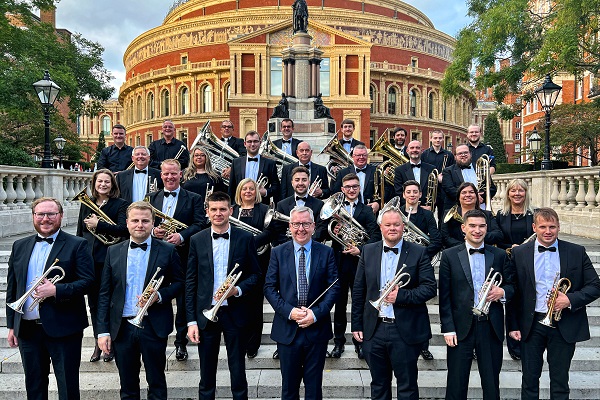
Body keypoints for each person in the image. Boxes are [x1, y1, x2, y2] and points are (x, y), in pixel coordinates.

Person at [6, 197, 94, 400]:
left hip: (64, 328)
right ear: (33, 217)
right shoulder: (20, 245)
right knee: (34, 385)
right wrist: (12, 324)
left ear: (60, 216)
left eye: (51, 214)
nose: (45, 219)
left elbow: (88, 281)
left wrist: (57, 290)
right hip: (27, 329)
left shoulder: (77, 244)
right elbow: (13, 287)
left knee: (68, 385)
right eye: (40, 214)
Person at [507, 208, 600, 400]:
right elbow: (514, 292)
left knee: (560, 381)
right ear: (534, 227)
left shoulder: (576, 251)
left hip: (563, 324)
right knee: (529, 380)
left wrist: (569, 300)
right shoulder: (519, 253)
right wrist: (513, 325)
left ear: (559, 227)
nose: (547, 231)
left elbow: (595, 285)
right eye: (542, 227)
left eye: (552, 227)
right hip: (531, 324)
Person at [97, 201, 184, 399]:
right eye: (135, 220)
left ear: (153, 223)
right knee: (127, 386)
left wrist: (160, 296)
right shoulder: (113, 251)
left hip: (153, 325)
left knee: (157, 382)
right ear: (127, 223)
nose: (140, 225)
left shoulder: (168, 250)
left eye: (145, 221)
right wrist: (102, 331)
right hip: (123, 326)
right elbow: (104, 294)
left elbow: (180, 283)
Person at [352, 206, 437, 400]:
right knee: (379, 386)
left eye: (397, 225)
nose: (392, 228)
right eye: (388, 224)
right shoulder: (368, 251)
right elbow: (359, 291)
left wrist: (401, 296)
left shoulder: (419, 252)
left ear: (404, 227)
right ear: (380, 226)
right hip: (375, 329)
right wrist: (356, 324)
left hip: (405, 330)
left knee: (407, 387)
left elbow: (430, 288)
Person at [186, 191, 261, 400]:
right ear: (207, 212)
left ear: (231, 210)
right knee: (206, 374)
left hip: (235, 313)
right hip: (206, 314)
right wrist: (191, 320)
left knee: (238, 371)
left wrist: (237, 290)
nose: (218, 213)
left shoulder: (245, 238)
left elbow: (256, 274)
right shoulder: (196, 239)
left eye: (222, 209)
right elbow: (191, 282)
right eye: (214, 209)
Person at [264, 206, 339, 400]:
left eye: (306, 224)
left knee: (314, 390)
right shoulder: (278, 252)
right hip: (287, 330)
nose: (301, 228)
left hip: (317, 330)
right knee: (289, 389)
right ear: (290, 226)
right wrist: (289, 312)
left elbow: (333, 288)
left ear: (314, 226)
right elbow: (269, 288)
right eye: (296, 224)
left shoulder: (326, 252)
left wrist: (315, 314)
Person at [439, 209, 514, 400]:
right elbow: (445, 296)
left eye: (481, 226)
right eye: (472, 226)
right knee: (456, 383)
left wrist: (502, 291)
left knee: (491, 384)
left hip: (490, 325)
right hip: (461, 326)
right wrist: (448, 328)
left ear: (487, 228)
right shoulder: (449, 255)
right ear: (463, 228)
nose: (477, 230)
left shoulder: (499, 255)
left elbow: (513, 286)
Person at [147, 159, 207, 361]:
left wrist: (182, 236)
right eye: (166, 174)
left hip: (184, 256)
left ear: (181, 174)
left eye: (174, 173)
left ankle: (181, 343)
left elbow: (200, 224)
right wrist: (153, 230)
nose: (170, 177)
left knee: (183, 301)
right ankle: (157, 340)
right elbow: (146, 223)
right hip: (158, 257)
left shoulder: (194, 198)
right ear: (161, 175)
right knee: (157, 299)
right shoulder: (151, 198)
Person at [76, 168, 129, 363]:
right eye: (100, 181)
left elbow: (124, 229)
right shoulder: (86, 204)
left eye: (107, 181)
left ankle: (112, 343)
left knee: (111, 303)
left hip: (112, 260)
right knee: (94, 304)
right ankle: (99, 345)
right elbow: (80, 233)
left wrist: (100, 225)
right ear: (94, 183)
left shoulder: (121, 204)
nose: (103, 185)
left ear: (112, 184)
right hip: (91, 262)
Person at [328, 173, 381, 360]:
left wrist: (360, 250)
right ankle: (339, 342)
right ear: (342, 189)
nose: (351, 190)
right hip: (339, 262)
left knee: (360, 303)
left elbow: (375, 236)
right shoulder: (335, 210)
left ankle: (360, 343)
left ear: (359, 189)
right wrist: (333, 230)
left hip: (360, 263)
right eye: (348, 187)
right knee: (340, 304)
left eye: (355, 187)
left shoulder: (367, 211)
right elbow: (322, 233)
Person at [400, 180, 442, 360]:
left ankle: (424, 345)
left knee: (420, 305)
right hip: (400, 263)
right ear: (403, 194)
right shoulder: (396, 213)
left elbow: (437, 239)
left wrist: (421, 254)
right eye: (408, 192)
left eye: (415, 192)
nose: (412, 195)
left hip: (420, 263)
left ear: (420, 195)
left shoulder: (427, 214)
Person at [495, 178, 536, 361]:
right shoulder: (501, 215)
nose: (517, 194)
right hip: (509, 262)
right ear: (508, 193)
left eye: (521, 190)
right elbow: (497, 240)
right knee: (511, 301)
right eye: (513, 190)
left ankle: (528, 340)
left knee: (527, 300)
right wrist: (511, 246)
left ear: (526, 193)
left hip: (529, 263)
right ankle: (513, 343)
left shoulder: (534, 214)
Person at [232, 178, 273, 358]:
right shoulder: (232, 210)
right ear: (239, 191)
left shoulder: (264, 210)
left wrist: (247, 243)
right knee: (239, 303)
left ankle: (253, 344)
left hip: (259, 261)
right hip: (236, 263)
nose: (248, 191)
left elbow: (270, 233)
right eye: (244, 189)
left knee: (256, 304)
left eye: (251, 189)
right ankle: (240, 340)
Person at [273, 166, 327, 247]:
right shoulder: (282, 205)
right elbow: (278, 231)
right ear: (292, 183)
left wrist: (306, 242)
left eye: (304, 180)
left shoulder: (319, 205)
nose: (300, 183)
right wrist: (294, 244)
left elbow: (321, 230)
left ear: (309, 182)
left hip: (312, 249)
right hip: (289, 249)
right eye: (297, 180)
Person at [332, 144, 392, 213]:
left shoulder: (376, 171)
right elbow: (336, 193)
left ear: (367, 156)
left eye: (364, 155)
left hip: (371, 211)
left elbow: (386, 190)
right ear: (353, 156)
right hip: (349, 211)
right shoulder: (342, 172)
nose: (361, 157)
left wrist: (378, 203)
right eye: (358, 155)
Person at [441, 182, 503, 249]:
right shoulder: (449, 214)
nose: (468, 195)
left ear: (477, 196)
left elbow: (498, 235)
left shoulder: (487, 214)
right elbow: (445, 237)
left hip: (483, 250)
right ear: (458, 197)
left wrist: (476, 236)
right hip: (455, 253)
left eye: (471, 192)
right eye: (464, 193)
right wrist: (465, 246)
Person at [228, 130, 280, 205]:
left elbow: (276, 186)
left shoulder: (270, 163)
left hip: (262, 205)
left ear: (260, 143)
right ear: (245, 144)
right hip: (240, 205)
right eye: (249, 142)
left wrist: (265, 192)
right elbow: (231, 188)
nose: (252, 144)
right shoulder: (236, 162)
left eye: (255, 141)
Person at [441, 144, 497, 211]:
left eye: (465, 152)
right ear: (455, 157)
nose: (463, 155)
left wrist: (480, 198)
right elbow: (449, 190)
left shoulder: (481, 168)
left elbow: (492, 188)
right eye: (460, 153)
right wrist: (473, 197)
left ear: (470, 154)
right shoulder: (448, 171)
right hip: (458, 209)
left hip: (481, 207)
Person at [420, 130, 455, 222]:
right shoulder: (424, 154)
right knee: (427, 215)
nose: (437, 140)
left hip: (443, 189)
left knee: (443, 216)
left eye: (440, 138)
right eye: (435, 138)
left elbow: (453, 172)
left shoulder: (449, 155)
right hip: (429, 189)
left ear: (443, 139)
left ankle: (441, 235)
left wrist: (444, 178)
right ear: (431, 139)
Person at [392, 140, 436, 206]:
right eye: (412, 148)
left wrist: (430, 206)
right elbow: (398, 192)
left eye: (417, 148)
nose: (415, 150)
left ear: (422, 151)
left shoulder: (431, 169)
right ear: (407, 151)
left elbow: (435, 192)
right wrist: (411, 205)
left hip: (426, 209)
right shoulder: (399, 170)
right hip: (406, 209)